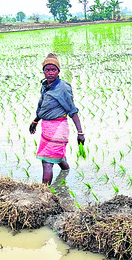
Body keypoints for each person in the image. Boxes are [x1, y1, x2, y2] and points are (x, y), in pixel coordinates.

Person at [30, 53, 85, 185]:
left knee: (47, 161)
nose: (50, 73)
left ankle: (45, 193)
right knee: (58, 157)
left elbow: (72, 110)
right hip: (47, 127)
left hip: (58, 128)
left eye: (53, 70)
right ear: (43, 71)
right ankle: (66, 174)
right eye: (47, 70)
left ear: (58, 71)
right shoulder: (45, 86)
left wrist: (80, 132)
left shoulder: (63, 88)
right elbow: (44, 106)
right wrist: (35, 120)